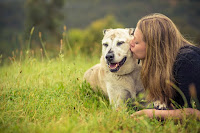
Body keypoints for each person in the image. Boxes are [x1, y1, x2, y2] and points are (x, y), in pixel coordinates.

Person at [129, 13, 200, 120]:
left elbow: (196, 113)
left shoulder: (187, 62)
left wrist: (153, 114)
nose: (130, 43)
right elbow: (175, 107)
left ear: (153, 46)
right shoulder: (163, 66)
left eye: (136, 42)